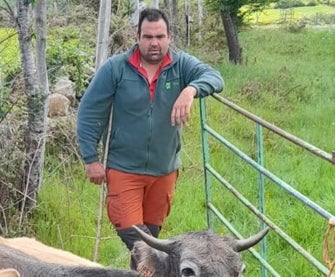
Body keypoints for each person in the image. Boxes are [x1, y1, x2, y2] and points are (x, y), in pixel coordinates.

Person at [76, 8, 224, 252]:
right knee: (143, 245)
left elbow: (214, 77)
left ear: (169, 37)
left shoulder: (181, 65)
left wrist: (191, 90)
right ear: (137, 37)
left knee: (151, 238)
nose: (154, 43)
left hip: (163, 170)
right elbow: (89, 112)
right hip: (124, 169)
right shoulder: (116, 68)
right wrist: (91, 158)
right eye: (148, 37)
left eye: (160, 37)